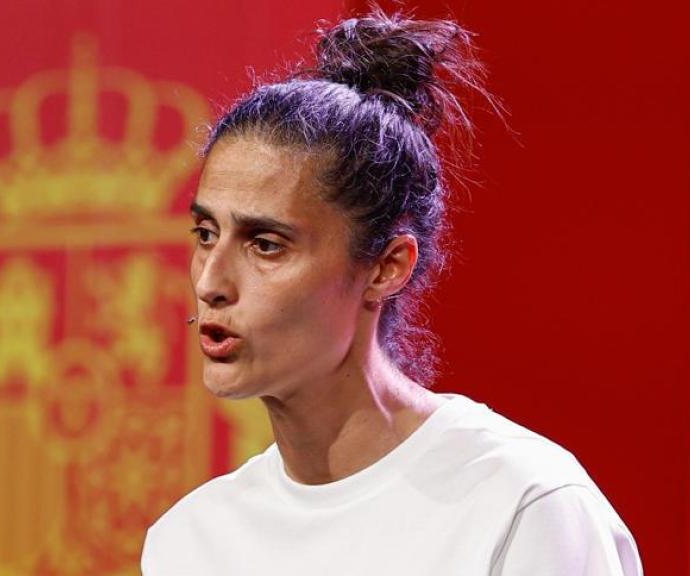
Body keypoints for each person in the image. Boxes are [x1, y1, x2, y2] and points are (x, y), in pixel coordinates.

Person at [141, 9, 643, 576]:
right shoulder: (188, 542)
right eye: (206, 235)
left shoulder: (522, 506)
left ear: (386, 267)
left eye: (266, 245)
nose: (210, 282)